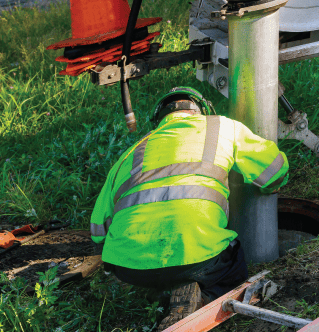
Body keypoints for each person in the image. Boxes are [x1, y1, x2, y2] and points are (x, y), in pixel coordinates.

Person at [89, 87, 289, 330]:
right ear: (202, 111)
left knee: (164, 269)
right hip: (199, 257)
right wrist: (272, 187)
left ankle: (164, 294)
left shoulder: (128, 155)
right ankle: (203, 298)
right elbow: (274, 171)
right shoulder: (222, 127)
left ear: (158, 121)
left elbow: (98, 231)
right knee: (233, 262)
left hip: (130, 268)